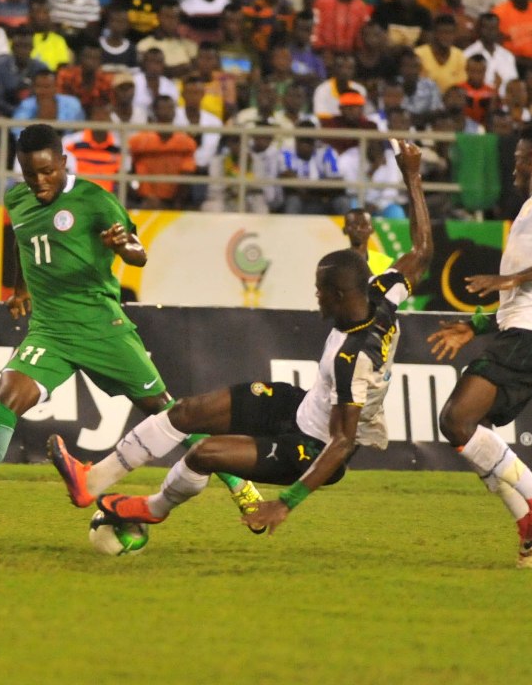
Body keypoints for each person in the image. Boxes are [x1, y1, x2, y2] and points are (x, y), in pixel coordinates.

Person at [50, 139, 431, 536]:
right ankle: (90, 481)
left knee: (203, 453)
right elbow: (421, 251)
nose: (315, 296)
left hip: (308, 450)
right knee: (188, 412)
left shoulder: (351, 359)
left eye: (320, 290)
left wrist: (284, 505)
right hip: (298, 407)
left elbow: (341, 443)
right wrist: (412, 179)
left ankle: (152, 508)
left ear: (338, 295)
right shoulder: (382, 295)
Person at [0, 124, 260, 527]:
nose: (39, 182)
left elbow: (139, 253)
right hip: (50, 330)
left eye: (47, 172)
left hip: (101, 328)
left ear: (63, 162)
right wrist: (20, 289)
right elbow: (22, 243)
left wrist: (121, 246)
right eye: (30, 174)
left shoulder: (94, 200)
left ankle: (242, 488)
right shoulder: (17, 199)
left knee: (171, 414)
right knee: (5, 400)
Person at [426, 118, 532, 568]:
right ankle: (527, 519)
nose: (514, 169)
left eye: (518, 159)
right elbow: (517, 298)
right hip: (523, 331)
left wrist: (513, 275)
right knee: (468, 430)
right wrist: (474, 326)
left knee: (457, 420)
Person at [343, 208, 394, 274]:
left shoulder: (383, 262)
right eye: (354, 225)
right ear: (345, 230)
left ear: (372, 229)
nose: (359, 229)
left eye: (364, 225)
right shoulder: (338, 261)